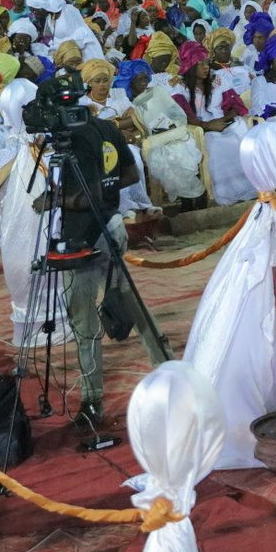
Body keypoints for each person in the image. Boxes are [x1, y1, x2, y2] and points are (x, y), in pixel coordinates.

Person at [43, 73, 171, 427]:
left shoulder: (72, 138)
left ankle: (92, 400)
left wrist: (59, 200)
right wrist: (103, 188)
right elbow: (130, 175)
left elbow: (85, 196)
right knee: (130, 301)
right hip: (113, 226)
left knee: (84, 320)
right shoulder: (104, 127)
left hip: (81, 237)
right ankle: (167, 367)